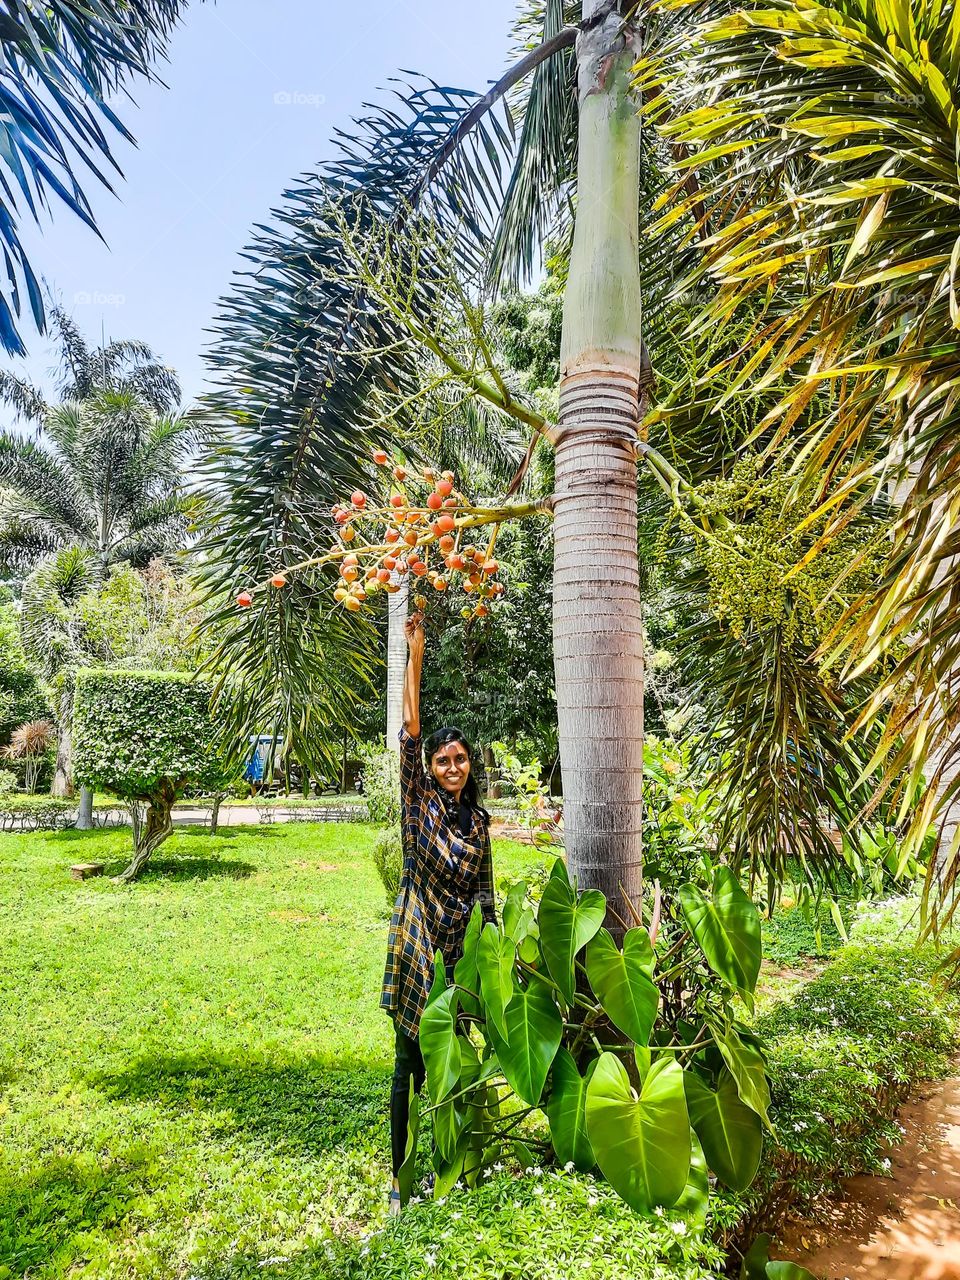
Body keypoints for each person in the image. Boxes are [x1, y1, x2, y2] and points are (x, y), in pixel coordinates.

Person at [380, 611, 497, 1214]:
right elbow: (409, 729)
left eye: (460, 760)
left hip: (457, 953)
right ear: (429, 769)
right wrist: (415, 655)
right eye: (443, 760)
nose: (452, 768)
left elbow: (485, 894)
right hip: (417, 944)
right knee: (408, 1064)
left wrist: (491, 957)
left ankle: (450, 1167)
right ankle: (399, 1179)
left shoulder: (477, 823)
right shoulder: (418, 804)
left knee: (451, 1062)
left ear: (470, 765)